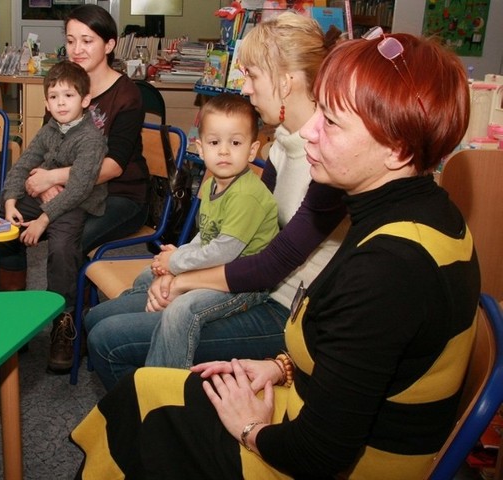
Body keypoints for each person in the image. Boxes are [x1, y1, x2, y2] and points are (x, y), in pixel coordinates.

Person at [71, 31, 480, 479]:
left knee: (140, 414)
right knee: (142, 390)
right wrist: (281, 365)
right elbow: (370, 360)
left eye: (333, 121)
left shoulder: (389, 269)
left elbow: (320, 455)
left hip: (331, 461)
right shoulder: (420, 210)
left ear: (397, 149)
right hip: (308, 404)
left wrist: (247, 427)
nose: (310, 130)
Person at [84, 13, 348, 390]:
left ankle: (169, 424)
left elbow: (272, 264)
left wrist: (182, 279)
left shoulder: (327, 157)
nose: (248, 90)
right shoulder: (280, 147)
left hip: (287, 310)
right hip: (252, 280)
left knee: (108, 340)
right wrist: (179, 273)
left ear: (286, 82)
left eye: (254, 76)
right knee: (97, 320)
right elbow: (256, 238)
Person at [0, 5, 149, 367]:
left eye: (88, 40)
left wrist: (53, 179)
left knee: (69, 241)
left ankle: (65, 328)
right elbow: (47, 146)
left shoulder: (127, 95)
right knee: (1, 226)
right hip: (66, 188)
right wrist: (46, 185)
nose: (77, 48)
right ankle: (14, 315)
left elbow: (112, 166)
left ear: (109, 44)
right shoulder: (65, 85)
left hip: (120, 194)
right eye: (71, 40)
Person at [128, 92, 280, 369]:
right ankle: (135, 324)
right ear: (200, 147)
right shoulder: (212, 184)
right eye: (214, 142)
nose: (223, 151)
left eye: (235, 142)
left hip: (242, 283)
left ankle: (165, 383)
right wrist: (176, 260)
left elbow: (224, 252)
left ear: (251, 149)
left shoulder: (247, 195)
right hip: (216, 266)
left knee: (182, 309)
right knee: (144, 277)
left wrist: (175, 262)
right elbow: (206, 235)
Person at [0, 61, 107, 374]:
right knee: (0, 221)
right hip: (49, 196)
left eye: (68, 96)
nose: (61, 102)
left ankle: (65, 322)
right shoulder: (49, 130)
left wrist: (43, 219)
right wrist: (9, 203)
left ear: (85, 101)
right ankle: (12, 305)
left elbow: (78, 189)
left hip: (79, 203)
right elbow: (22, 166)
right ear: (46, 102)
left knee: (62, 249)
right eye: (54, 96)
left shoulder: (91, 138)